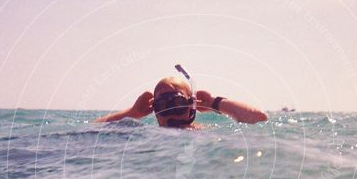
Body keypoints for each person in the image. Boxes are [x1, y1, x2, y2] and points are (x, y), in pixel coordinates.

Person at [95, 67, 268, 128]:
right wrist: (133, 113)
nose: (171, 112)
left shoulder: (204, 134)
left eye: (177, 102)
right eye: (163, 105)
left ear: (192, 105)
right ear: (155, 110)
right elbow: (95, 129)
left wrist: (214, 102)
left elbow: (260, 119)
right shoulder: (146, 135)